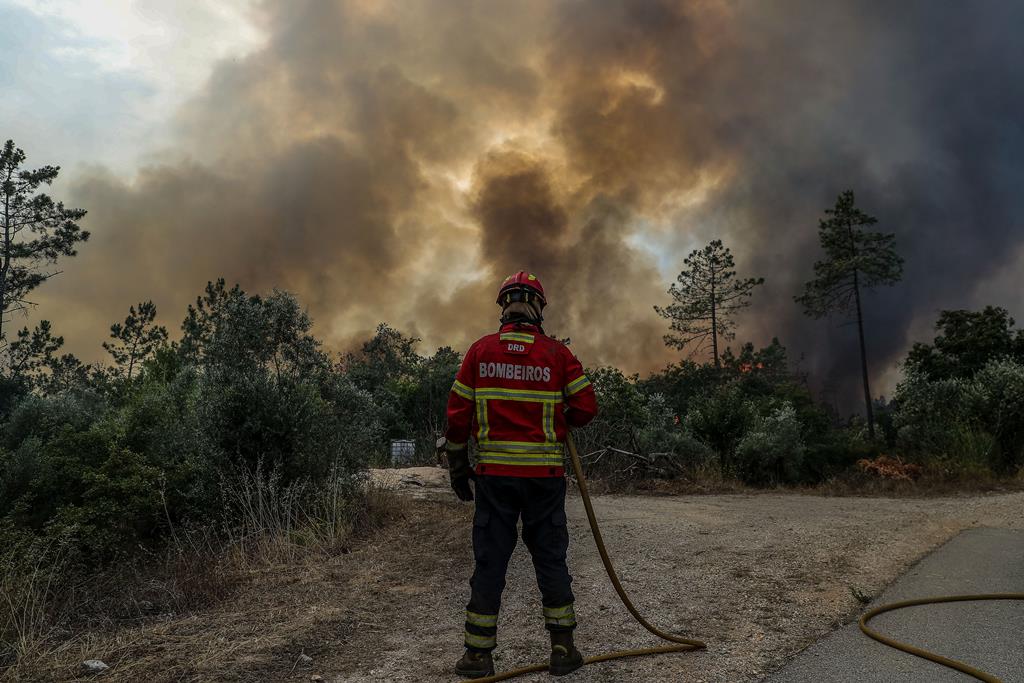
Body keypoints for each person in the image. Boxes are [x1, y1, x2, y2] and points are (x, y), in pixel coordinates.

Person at [444, 271, 598, 678]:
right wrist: (561, 418)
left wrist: (458, 467)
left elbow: (456, 417)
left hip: (494, 479)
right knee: (550, 559)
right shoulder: (557, 355)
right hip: (544, 479)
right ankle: (563, 649)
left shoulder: (480, 352)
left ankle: (477, 657)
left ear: (503, 306)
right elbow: (586, 406)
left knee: (490, 563)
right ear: (539, 307)